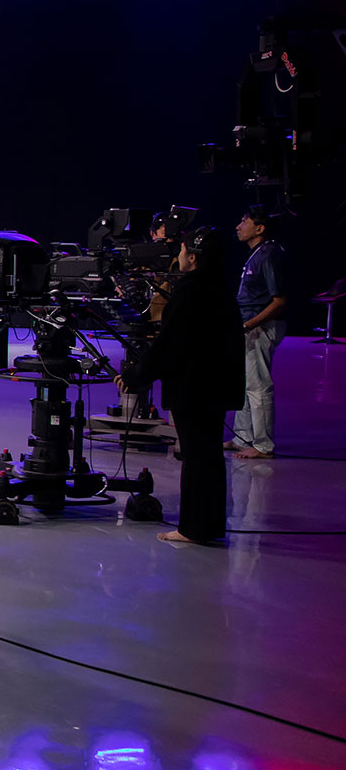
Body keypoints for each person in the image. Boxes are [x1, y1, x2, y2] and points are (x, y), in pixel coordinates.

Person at [120, 227, 244, 544]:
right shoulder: (220, 288)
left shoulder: (191, 291)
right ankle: (208, 526)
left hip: (195, 389)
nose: (178, 256)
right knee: (209, 457)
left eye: (182, 251)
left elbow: (169, 344)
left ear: (193, 257)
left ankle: (194, 529)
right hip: (215, 387)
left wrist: (135, 376)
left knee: (197, 458)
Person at [230, 208, 290, 459]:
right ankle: (243, 437)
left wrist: (249, 325)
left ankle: (263, 445)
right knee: (246, 384)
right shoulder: (257, 254)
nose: (238, 226)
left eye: (244, 221)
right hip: (250, 326)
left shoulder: (269, 254)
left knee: (258, 385)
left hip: (260, 327)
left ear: (260, 228)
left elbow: (279, 301)